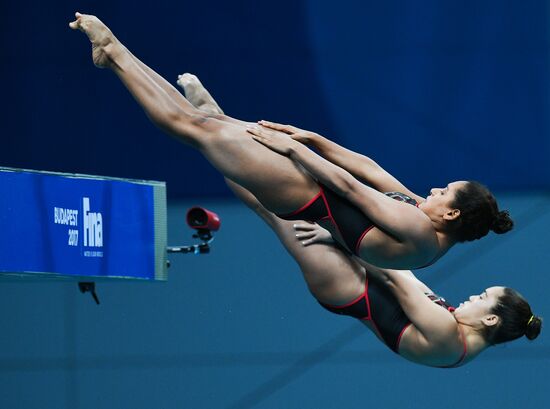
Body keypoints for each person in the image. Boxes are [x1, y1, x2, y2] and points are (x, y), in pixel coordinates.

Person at [69, 12, 513, 270]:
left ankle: (115, 52)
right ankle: (114, 57)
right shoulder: (424, 218)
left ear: (451, 212)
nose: (433, 190)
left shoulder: (421, 235)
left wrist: (295, 150)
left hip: (304, 192)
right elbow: (370, 169)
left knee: (194, 129)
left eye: (442, 192)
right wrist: (313, 137)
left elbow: (350, 188)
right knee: (200, 126)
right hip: (309, 189)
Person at [182, 72, 541, 368]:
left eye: (482, 296)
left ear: (490, 319)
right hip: (364, 272)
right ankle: (212, 122)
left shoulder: (450, 341)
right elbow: (376, 177)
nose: (472, 296)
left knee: (272, 204)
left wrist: (331, 233)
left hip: (347, 286)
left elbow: (396, 278)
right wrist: (316, 142)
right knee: (275, 197)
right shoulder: (457, 331)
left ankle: (208, 122)